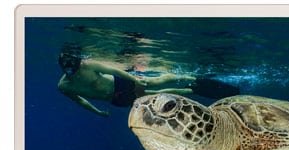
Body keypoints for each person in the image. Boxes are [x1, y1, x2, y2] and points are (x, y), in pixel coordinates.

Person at [57, 45, 240, 117]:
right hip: (116, 99)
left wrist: (135, 81)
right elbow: (80, 100)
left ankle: (188, 76)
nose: (76, 71)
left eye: (76, 65)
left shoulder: (89, 65)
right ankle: (191, 90)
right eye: (70, 69)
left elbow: (115, 69)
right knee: (155, 97)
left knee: (154, 83)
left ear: (78, 61)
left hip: (120, 83)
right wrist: (97, 111)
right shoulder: (64, 87)